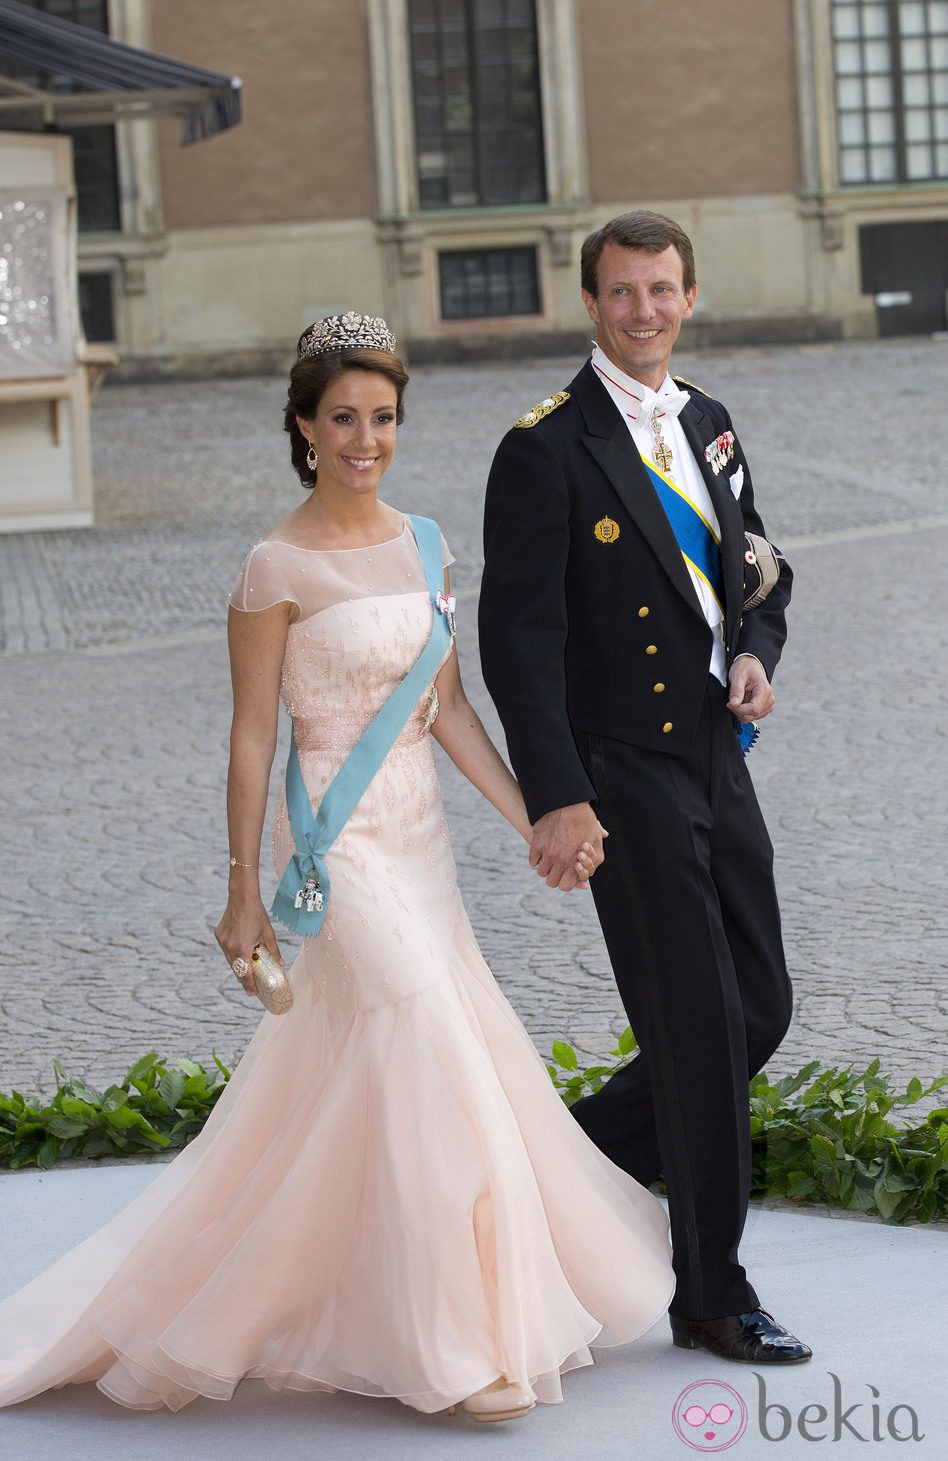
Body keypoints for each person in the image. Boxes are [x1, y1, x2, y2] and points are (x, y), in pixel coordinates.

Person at [0, 311, 675, 1424]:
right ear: (303, 427)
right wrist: (243, 887)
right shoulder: (272, 566)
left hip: (419, 832)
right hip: (331, 836)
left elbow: (444, 707)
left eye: (382, 417)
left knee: (390, 1064)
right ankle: (457, 1344)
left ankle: (398, 1303)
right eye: (341, 418)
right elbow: (252, 735)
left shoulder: (428, 545)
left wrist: (534, 817)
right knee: (427, 1035)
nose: (364, 439)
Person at [478, 213, 812, 1366]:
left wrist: (758, 644)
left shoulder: (707, 424)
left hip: (717, 764)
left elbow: (755, 563)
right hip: (620, 773)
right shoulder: (546, 448)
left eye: (661, 289)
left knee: (757, 1008)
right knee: (695, 1028)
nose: (643, 310)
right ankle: (708, 1292)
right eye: (621, 292)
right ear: (590, 303)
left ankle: (556, 1171)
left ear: (687, 295)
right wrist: (556, 797)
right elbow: (515, 641)